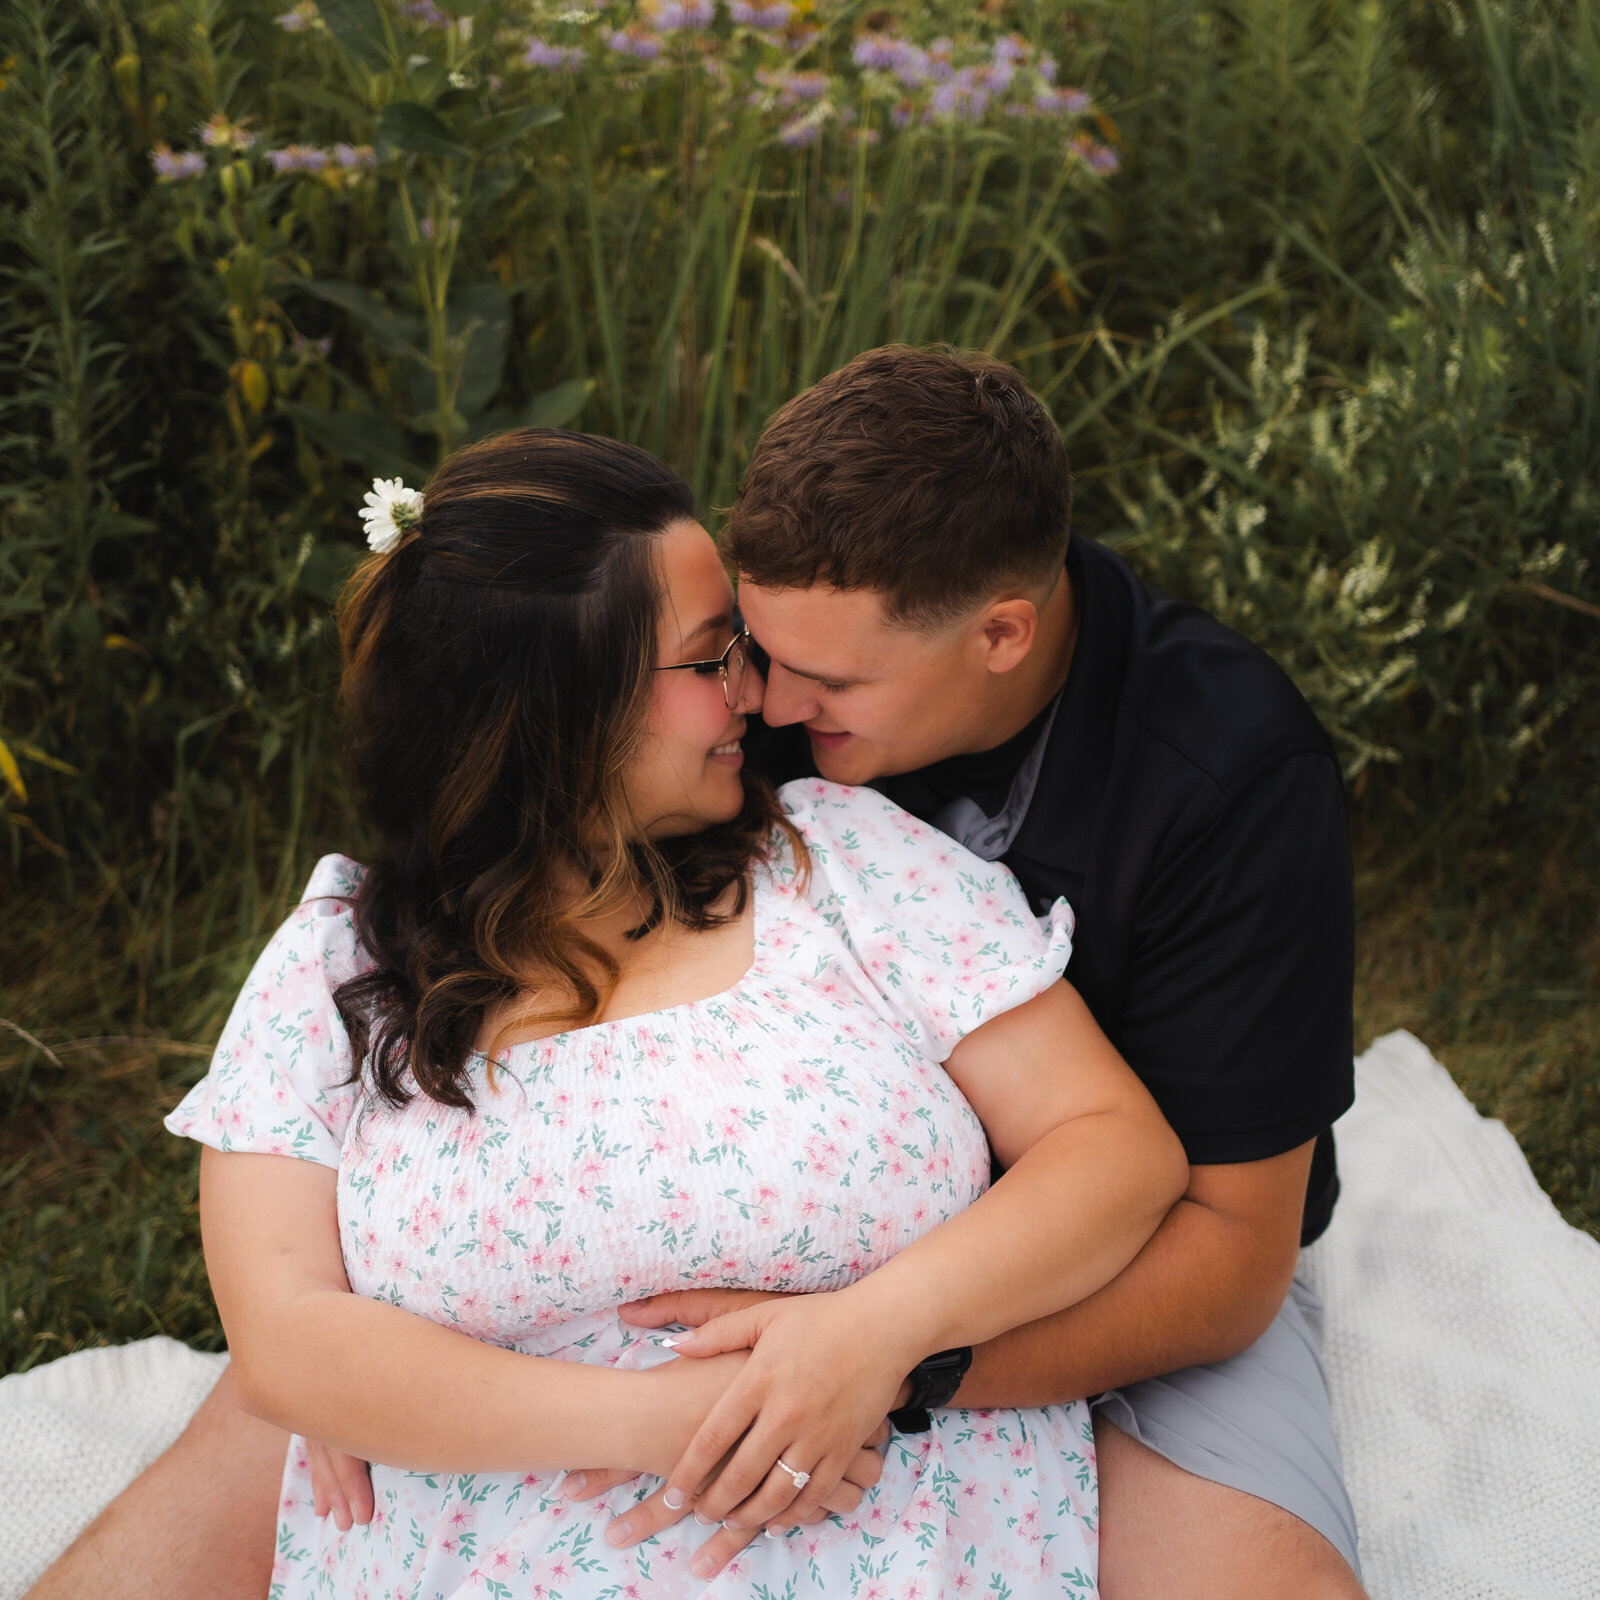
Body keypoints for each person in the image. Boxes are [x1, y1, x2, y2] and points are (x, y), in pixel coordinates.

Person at [28, 345, 1364, 1600]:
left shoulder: (1212, 784)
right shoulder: (399, 926)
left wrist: (875, 1359)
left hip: (1104, 1286)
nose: (764, 703)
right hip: (560, 1387)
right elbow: (298, 1323)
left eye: (798, 673)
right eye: (728, 653)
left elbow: (1204, 1240)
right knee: (262, 1422)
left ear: (998, 636)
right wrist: (343, 1377)